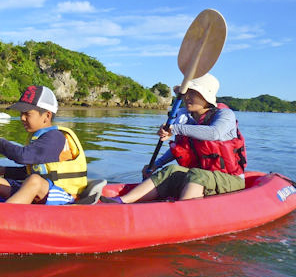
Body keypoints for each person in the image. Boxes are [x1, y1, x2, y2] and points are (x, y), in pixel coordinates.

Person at [103, 73, 247, 203]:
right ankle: (122, 201)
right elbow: (180, 149)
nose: (187, 97)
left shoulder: (225, 115)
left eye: (193, 93)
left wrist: (174, 129)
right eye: (186, 93)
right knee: (171, 169)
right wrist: (156, 164)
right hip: (200, 176)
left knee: (198, 174)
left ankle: (182, 213)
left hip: (231, 179)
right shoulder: (185, 118)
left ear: (206, 97)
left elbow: (214, 133)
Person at [0, 85, 88, 205]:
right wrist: (3, 170)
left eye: (27, 114)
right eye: (21, 113)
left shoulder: (55, 137)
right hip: (39, 190)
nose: (22, 118)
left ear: (47, 116)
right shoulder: (38, 137)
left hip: (64, 195)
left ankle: (4, 216)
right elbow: (32, 171)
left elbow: (23, 156)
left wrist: (0, 143)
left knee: (34, 181)